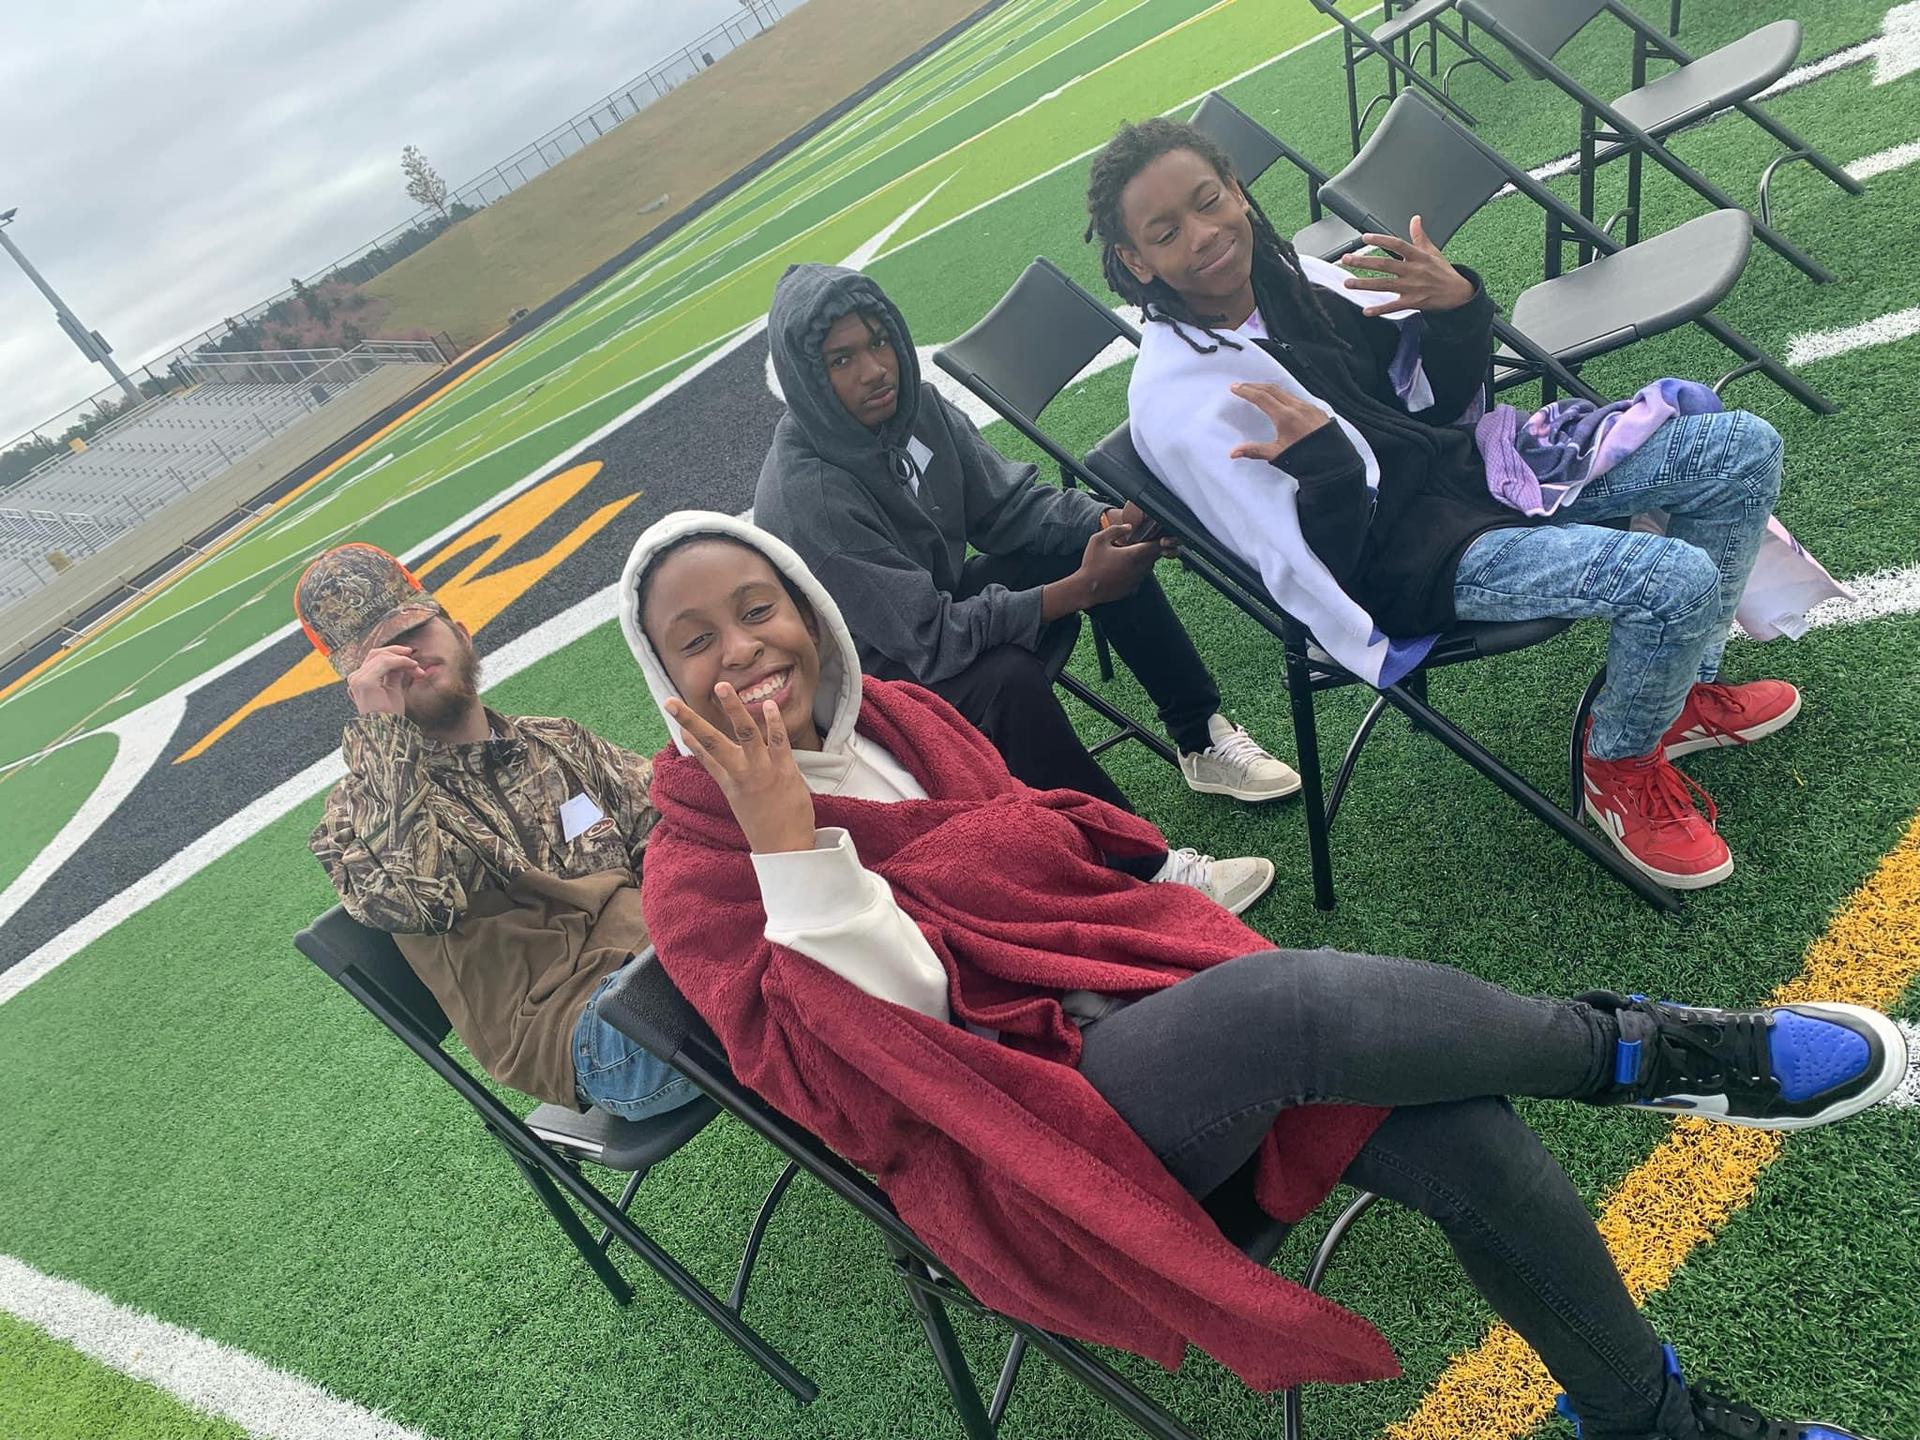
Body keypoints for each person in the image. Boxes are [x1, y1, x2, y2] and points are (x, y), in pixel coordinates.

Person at [619, 511, 1903, 1440]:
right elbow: (871, 1085)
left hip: (1135, 1013)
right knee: (1288, 1001)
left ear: (805, 608)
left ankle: (1646, 1418)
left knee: (1470, 1140)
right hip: (1020, 1134)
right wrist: (793, 850)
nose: (742, 649)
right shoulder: (698, 872)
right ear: (662, 685)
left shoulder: (901, 718)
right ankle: (1652, 1052)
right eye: (693, 641)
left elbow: (1055, 863)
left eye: (757, 606)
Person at [1084, 118, 1849, 892]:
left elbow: (1440, 410)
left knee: (1741, 447)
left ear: (1239, 192)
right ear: (1134, 260)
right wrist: (1329, 469)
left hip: (1472, 476)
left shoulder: (1299, 280)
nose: (1204, 234)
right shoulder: (1179, 398)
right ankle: (1618, 763)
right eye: (1166, 231)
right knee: (1670, 579)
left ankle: (1676, 697)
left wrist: (1456, 312)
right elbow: (1318, 571)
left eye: (1209, 200)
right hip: (1406, 564)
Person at [753, 261, 1304, 814]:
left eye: (878, 342)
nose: (875, 370)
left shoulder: (913, 406)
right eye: (841, 360)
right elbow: (929, 639)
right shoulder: (812, 496)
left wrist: (1109, 523)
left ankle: (1200, 737)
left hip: (931, 617)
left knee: (1098, 545)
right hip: (876, 683)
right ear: (808, 378)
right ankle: (1131, 861)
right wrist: (1081, 589)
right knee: (1007, 682)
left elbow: (1008, 509)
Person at [302, 542, 697, 1121]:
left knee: (802, 904)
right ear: (362, 689)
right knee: (771, 969)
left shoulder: (555, 740)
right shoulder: (353, 816)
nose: (406, 654)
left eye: (414, 629)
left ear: (461, 633)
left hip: (670, 950)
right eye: (380, 656)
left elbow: (672, 825)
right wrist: (384, 735)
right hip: (588, 1027)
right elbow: (419, 902)